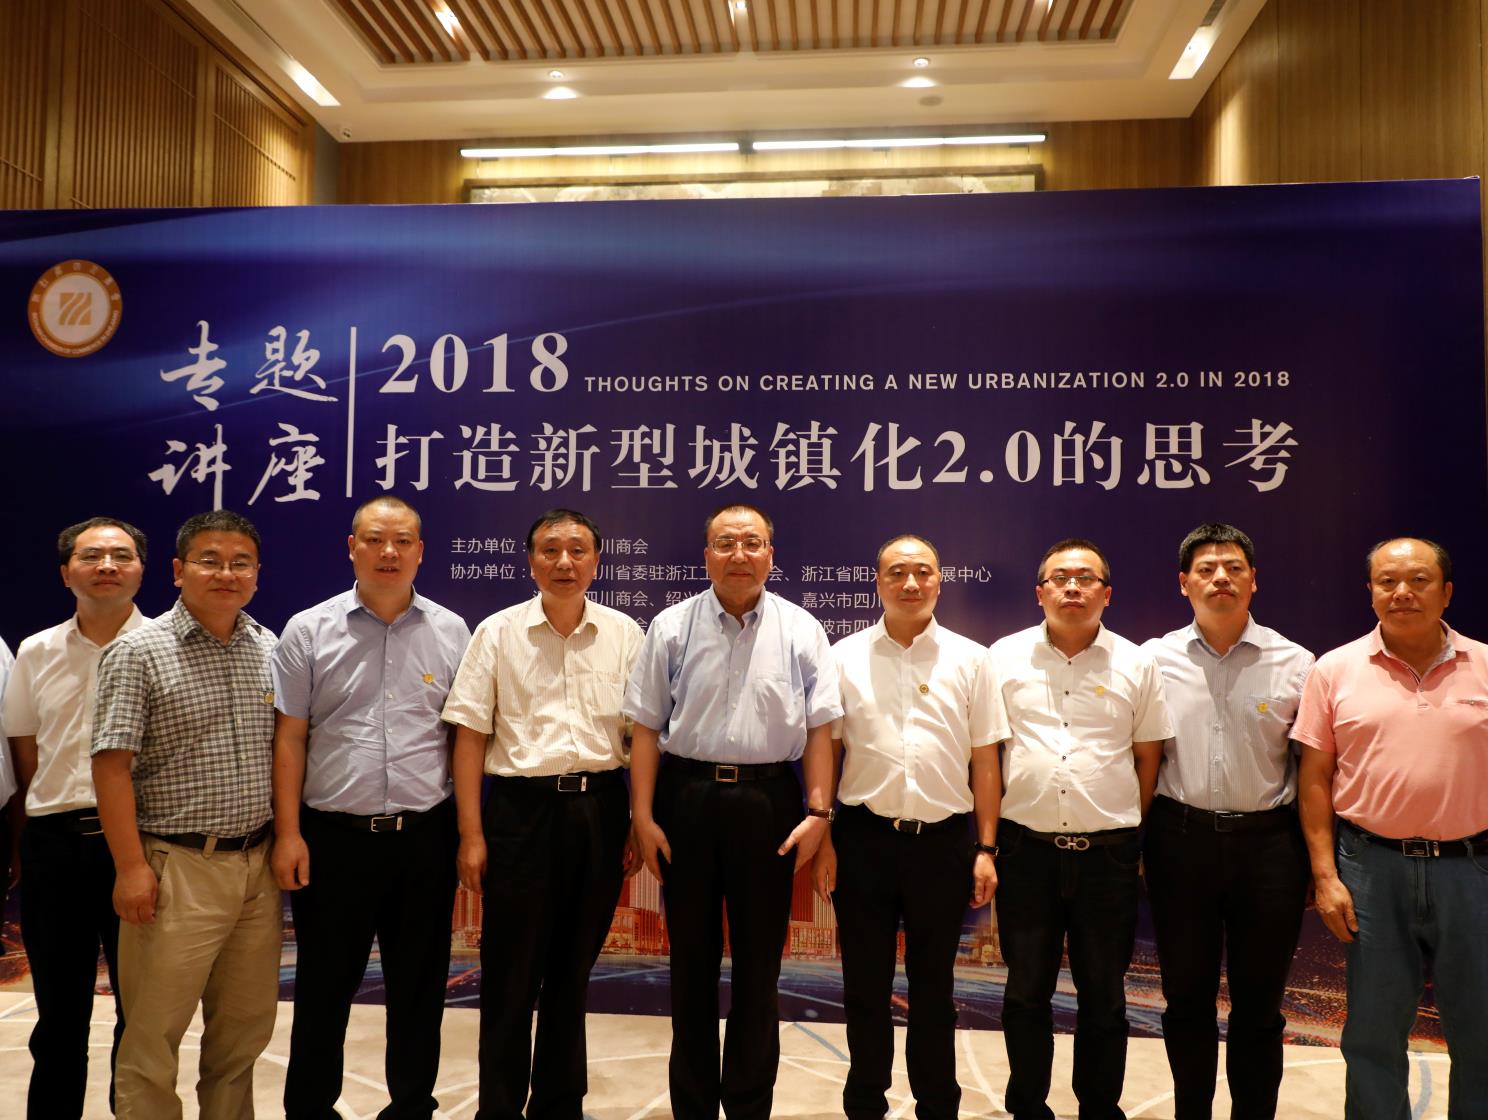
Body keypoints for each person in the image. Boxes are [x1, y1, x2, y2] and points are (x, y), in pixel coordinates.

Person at [624, 503, 840, 1120]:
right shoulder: (671, 626)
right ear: (706, 556)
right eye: (725, 543)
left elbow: (821, 730)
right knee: (689, 965)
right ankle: (693, 1106)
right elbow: (646, 728)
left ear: (771, 554)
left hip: (769, 804)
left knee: (758, 968)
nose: (738, 554)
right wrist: (643, 816)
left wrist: (819, 814)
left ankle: (748, 1105)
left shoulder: (802, 628)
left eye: (751, 543)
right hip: (686, 799)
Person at [270, 495, 470, 1120]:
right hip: (333, 839)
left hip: (423, 837)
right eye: (375, 539)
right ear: (351, 547)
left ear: (421, 551)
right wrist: (288, 833)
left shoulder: (452, 631)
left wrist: (467, 834)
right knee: (324, 986)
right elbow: (290, 736)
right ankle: (310, 1110)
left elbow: (461, 739)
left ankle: (411, 1106)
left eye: (403, 541)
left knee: (420, 986)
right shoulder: (308, 630)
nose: (389, 552)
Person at [442, 508, 644, 1120]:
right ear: (530, 561)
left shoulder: (624, 634)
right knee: (510, 975)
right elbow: (470, 736)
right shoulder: (498, 633)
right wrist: (471, 833)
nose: (564, 562)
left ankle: (559, 1106)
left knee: (572, 974)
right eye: (550, 550)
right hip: (520, 815)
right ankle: (499, 1109)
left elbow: (640, 738)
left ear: (596, 561)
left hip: (599, 810)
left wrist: (636, 820)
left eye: (578, 550)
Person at [91, 509, 279, 1120]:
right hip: (175, 868)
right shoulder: (137, 652)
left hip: (257, 867)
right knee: (153, 1036)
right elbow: (110, 768)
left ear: (256, 573)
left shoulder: (269, 648)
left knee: (243, 1034)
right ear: (177, 570)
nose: (226, 574)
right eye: (209, 561)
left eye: (240, 563)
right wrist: (130, 868)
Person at [1293, 537, 1488, 1120]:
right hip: (1370, 869)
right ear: (1371, 592)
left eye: (1419, 580)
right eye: (1387, 582)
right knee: (1373, 1031)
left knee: (1481, 1026)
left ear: (1446, 591)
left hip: (1472, 869)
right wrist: (1325, 876)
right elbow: (1315, 778)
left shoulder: (1485, 664)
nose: (1403, 592)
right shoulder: (1334, 669)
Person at [814, 533, 1005, 1120]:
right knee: (864, 987)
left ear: (940, 582)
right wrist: (825, 836)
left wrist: (986, 847)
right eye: (897, 572)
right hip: (863, 839)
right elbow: (827, 751)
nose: (910, 583)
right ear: (878, 582)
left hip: (943, 845)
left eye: (922, 571)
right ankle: (864, 1104)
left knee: (934, 990)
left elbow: (985, 761)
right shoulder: (844, 656)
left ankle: (937, 1105)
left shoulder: (972, 659)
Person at [988, 537, 1172, 1120]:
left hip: (1107, 855)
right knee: (1025, 991)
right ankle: (1027, 1106)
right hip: (1025, 849)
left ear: (1107, 594)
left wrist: (1122, 828)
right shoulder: (1003, 658)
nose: (1073, 587)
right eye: (1060, 578)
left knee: (1104, 995)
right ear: (1039, 592)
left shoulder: (1137, 663)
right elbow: (987, 754)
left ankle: (1099, 1107)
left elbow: (1148, 758)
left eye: (1086, 578)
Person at [1141, 523, 1313, 1120]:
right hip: (1179, 841)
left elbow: (1312, 770)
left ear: (1253, 580)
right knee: (1185, 1000)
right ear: (1184, 582)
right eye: (1207, 569)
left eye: (1234, 568)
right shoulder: (1152, 660)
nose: (1221, 578)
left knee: (1260, 1006)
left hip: (1269, 848)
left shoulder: (1297, 663)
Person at [4, 517, 148, 1118]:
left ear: (142, 569)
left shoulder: (165, 646)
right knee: (59, 1014)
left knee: (141, 1013)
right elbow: (25, 749)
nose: (107, 566)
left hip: (141, 850)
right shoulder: (36, 651)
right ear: (66, 573)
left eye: (121, 555)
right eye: (92, 556)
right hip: (56, 847)